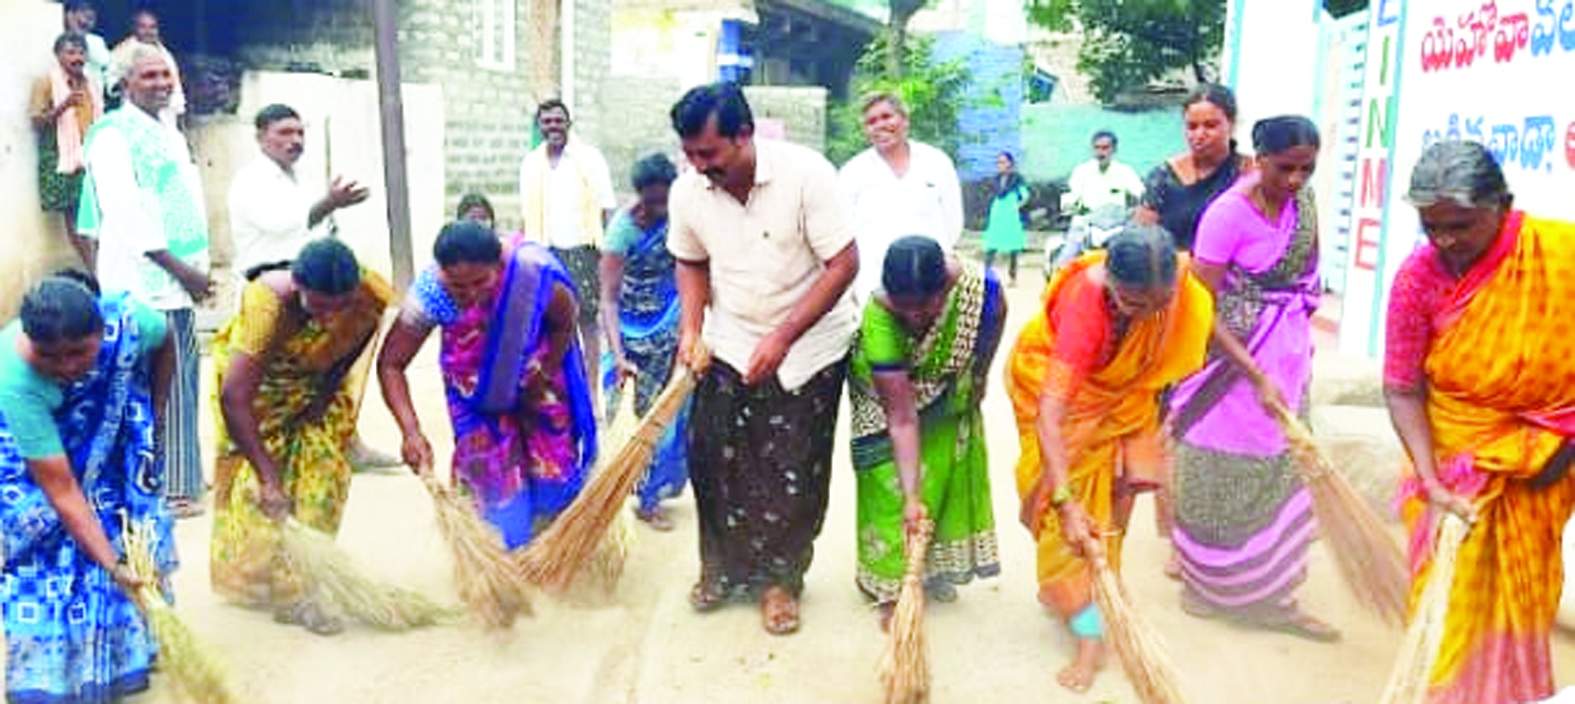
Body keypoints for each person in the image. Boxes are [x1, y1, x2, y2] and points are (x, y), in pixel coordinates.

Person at [1385, 140, 1575, 704]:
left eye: (1460, 226)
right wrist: (1432, 478)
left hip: (1544, 465)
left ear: (1503, 205)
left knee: (1524, 602)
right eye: (1430, 226)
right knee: (1445, 617)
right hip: (1452, 467)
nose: (1444, 242)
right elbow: (1401, 387)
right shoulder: (1419, 278)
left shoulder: (1559, 257)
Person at [667, 83, 858, 635]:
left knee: (791, 469)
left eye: (710, 154)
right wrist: (691, 328)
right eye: (692, 154)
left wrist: (784, 336)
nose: (700, 167)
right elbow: (691, 262)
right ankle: (721, 570)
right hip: (729, 341)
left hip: (811, 347)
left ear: (745, 135)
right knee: (712, 458)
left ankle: (780, 582)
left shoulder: (807, 175)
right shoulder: (689, 192)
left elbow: (843, 264)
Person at [1005, 225, 1213, 693]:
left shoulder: (1177, 286)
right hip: (1064, 402)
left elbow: (1192, 328)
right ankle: (1087, 630)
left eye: (1160, 305)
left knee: (1118, 500)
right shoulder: (1087, 307)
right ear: (1114, 283)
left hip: (1127, 398)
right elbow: (1051, 417)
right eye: (1135, 304)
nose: (1149, 317)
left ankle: (1097, 601)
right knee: (1068, 531)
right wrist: (1063, 499)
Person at [1167, 116, 1338, 641]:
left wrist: (1284, 359)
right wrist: (1252, 372)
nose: (1295, 181)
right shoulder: (1225, 216)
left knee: (1282, 472)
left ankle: (1272, 596)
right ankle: (1206, 586)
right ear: (1257, 158)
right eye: (1284, 168)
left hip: (1285, 359)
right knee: (1218, 477)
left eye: (1306, 170)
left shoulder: (1303, 207)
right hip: (1229, 367)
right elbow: (1201, 307)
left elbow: (1306, 282)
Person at [0, 275, 175, 701]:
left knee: (128, 526)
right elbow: (61, 492)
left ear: (102, 331)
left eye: (79, 352)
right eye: (49, 356)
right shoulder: (16, 380)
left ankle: (125, 659)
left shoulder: (130, 322)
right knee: (44, 556)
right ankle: (47, 678)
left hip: (108, 445)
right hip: (32, 464)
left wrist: (154, 408)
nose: (66, 367)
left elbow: (166, 338)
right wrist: (114, 567)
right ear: (29, 341)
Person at [208, 239, 393, 635]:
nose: (329, 320)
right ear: (298, 287)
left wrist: (323, 395)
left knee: (322, 483)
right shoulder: (268, 305)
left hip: (313, 390)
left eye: (339, 307)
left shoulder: (366, 292)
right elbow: (234, 396)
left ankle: (302, 592)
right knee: (258, 497)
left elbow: (357, 338)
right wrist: (268, 477)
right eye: (319, 307)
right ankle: (265, 578)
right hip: (257, 401)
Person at [378, 222, 597, 550]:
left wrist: (545, 371)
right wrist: (410, 431)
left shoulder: (530, 276)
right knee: (498, 505)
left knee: (554, 484)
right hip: (477, 404)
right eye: (457, 286)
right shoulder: (430, 294)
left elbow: (565, 323)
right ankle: (506, 565)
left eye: (481, 282)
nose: (470, 294)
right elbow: (391, 364)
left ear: (500, 266)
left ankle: (552, 559)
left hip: (537, 389)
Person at [77, 44, 212, 519]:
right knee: (139, 384)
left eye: (166, 75)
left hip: (180, 283)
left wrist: (197, 270)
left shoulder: (169, 131)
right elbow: (125, 212)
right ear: (124, 84)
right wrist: (182, 269)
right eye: (150, 76)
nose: (161, 83)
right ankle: (151, 483)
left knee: (180, 383)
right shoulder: (111, 135)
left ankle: (178, 479)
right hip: (142, 282)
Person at [849, 236, 1005, 627]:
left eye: (926, 306)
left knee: (940, 472)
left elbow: (990, 332)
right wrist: (911, 496)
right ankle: (887, 586)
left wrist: (979, 375)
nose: (916, 317)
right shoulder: (879, 316)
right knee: (892, 486)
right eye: (905, 307)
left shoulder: (979, 291)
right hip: (885, 398)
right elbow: (901, 418)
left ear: (946, 289)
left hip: (948, 387)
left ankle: (926, 570)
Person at [599, 153, 689, 531]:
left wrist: (690, 332)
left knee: (664, 418)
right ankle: (617, 491)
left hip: (669, 324)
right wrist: (619, 355)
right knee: (624, 417)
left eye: (664, 199)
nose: (658, 208)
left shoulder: (681, 219)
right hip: (628, 330)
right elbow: (607, 297)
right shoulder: (622, 230)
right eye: (650, 200)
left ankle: (650, 498)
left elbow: (692, 273)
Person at [518, 99, 618, 415]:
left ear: (568, 123)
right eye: (546, 122)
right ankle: (560, 395)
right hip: (545, 253)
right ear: (539, 126)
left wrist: (608, 256)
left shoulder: (589, 159)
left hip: (583, 249)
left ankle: (592, 396)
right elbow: (526, 214)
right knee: (552, 324)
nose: (553, 127)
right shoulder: (531, 163)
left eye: (558, 121)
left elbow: (606, 207)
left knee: (588, 320)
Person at [838, 92, 964, 303]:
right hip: (873, 288)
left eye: (887, 117)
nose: (879, 125)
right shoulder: (852, 173)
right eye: (871, 122)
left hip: (931, 286)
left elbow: (953, 223)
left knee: (936, 335)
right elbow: (843, 232)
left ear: (905, 120)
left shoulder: (936, 162)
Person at [1135, 83, 1252, 251]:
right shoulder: (1163, 178)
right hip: (1172, 271)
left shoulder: (1249, 174)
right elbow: (1140, 240)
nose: (1199, 135)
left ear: (1231, 124)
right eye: (1192, 126)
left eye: (1210, 126)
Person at [31, 32, 103, 267]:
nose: (77, 58)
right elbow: (37, 123)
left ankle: (102, 269)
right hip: (62, 158)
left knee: (97, 215)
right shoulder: (46, 82)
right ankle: (96, 272)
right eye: (70, 52)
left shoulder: (92, 82)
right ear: (58, 55)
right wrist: (64, 105)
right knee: (74, 217)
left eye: (81, 52)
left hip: (92, 156)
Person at [108, 8, 184, 129]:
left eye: (152, 27)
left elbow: (176, 87)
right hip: (138, 113)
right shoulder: (122, 52)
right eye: (143, 27)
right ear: (134, 29)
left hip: (167, 113)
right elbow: (111, 85)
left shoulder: (165, 53)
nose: (148, 31)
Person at [1065, 130, 1145, 215]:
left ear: (1114, 149)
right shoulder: (1081, 171)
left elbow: (1141, 195)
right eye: (1097, 148)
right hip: (1086, 221)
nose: (1100, 152)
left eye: (1105, 148)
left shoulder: (1125, 172)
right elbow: (1070, 202)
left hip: (1116, 222)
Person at [982, 151, 1030, 286]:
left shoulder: (1017, 179)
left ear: (1010, 163)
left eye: (1003, 162)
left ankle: (1012, 277)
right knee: (991, 245)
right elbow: (990, 194)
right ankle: (985, 275)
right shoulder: (995, 179)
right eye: (998, 162)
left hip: (1011, 215)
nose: (1000, 165)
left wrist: (1016, 206)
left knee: (1013, 247)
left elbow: (1025, 196)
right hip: (997, 213)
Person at [62, 1, 111, 103]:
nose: (87, 22)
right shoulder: (59, 38)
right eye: (85, 17)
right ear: (70, 15)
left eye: (91, 19)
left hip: (94, 98)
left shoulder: (96, 42)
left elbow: (107, 66)